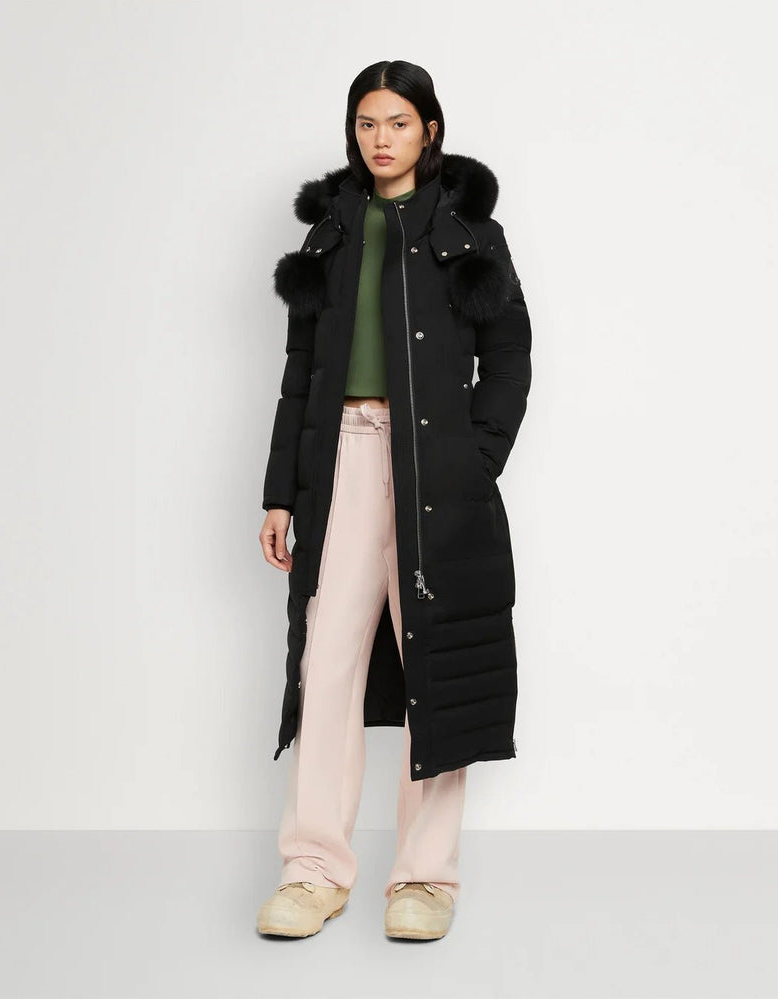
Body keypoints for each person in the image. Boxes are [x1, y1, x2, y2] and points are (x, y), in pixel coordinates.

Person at [256, 60, 533, 941]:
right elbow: (300, 371)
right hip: (341, 457)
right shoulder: (332, 232)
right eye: (368, 122)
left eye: (399, 122)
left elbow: (510, 353)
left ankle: (424, 878)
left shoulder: (468, 231)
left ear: (430, 131)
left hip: (436, 473)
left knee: (437, 663)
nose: (381, 138)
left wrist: (475, 459)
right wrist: (279, 493)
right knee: (326, 664)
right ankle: (313, 871)